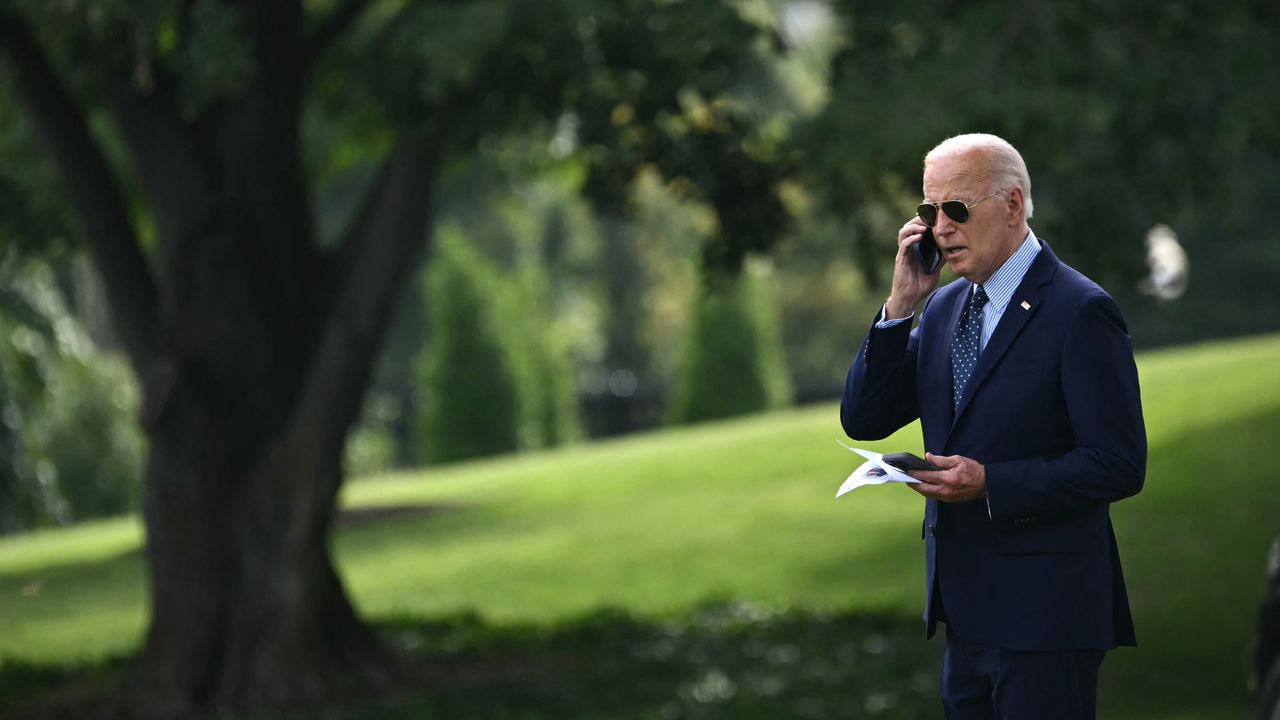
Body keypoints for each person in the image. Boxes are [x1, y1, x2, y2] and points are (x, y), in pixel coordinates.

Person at [840, 133, 1146, 719]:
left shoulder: (1081, 311)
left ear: (1012, 206)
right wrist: (899, 309)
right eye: (929, 212)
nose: (939, 229)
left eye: (957, 209)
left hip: (1048, 617)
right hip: (964, 614)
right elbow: (865, 417)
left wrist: (991, 483)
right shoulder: (944, 308)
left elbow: (1119, 463)